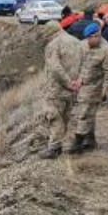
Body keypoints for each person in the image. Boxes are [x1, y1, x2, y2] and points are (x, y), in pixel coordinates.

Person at [66, 22, 108, 154]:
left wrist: (106, 89)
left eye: (90, 38)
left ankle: (78, 141)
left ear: (97, 35)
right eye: (87, 38)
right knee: (88, 113)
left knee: (84, 113)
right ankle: (90, 140)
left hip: (95, 86)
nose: (88, 41)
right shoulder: (83, 45)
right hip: (81, 84)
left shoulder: (107, 50)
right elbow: (77, 63)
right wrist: (75, 80)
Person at [38, 18, 85, 159]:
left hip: (57, 88)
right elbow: (85, 63)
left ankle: (54, 148)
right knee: (65, 116)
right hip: (73, 89)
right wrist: (78, 81)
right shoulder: (77, 42)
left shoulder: (53, 45)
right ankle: (59, 143)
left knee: (54, 117)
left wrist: (67, 82)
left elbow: (55, 68)